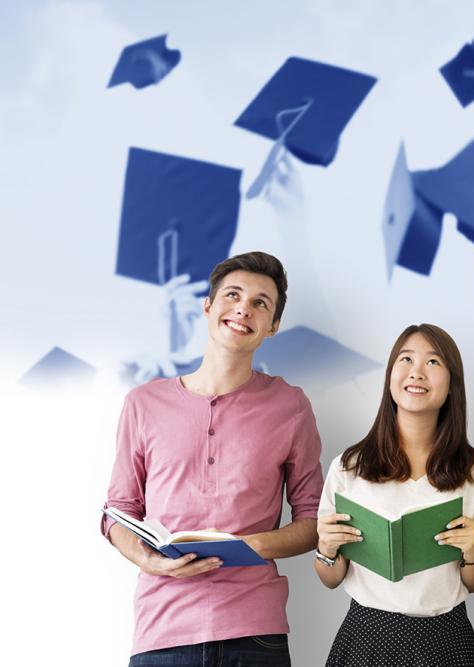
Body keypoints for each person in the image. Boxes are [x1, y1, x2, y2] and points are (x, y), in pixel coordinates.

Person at [102, 251, 324, 666]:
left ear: (272, 327)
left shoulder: (291, 406)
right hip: (161, 631)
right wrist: (147, 558)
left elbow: (313, 522)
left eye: (261, 303)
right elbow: (118, 511)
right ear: (208, 306)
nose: (244, 308)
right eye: (233, 295)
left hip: (255, 632)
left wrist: (249, 545)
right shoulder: (143, 403)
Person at [315, 324, 474, 666]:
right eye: (405, 359)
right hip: (365, 637)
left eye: (433, 362)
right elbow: (330, 578)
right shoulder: (349, 466)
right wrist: (326, 550)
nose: (416, 372)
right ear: (390, 378)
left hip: (447, 639)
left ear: (451, 386)